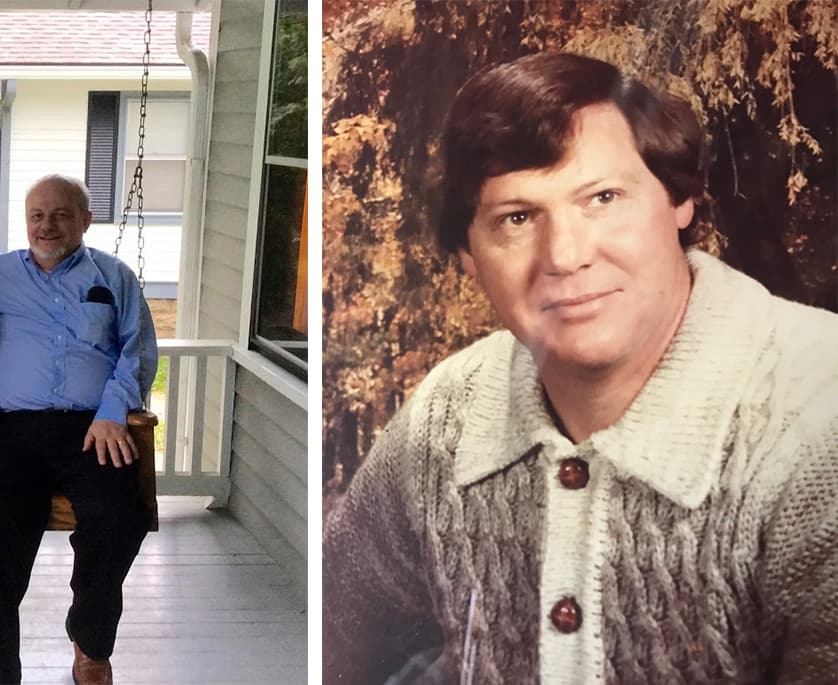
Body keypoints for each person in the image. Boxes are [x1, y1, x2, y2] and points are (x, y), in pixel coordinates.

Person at [323, 53, 838, 684]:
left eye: (602, 197)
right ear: (465, 253)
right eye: (516, 218)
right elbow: (330, 645)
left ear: (680, 200)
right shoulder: (446, 416)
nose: (565, 256)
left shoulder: (819, 419)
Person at [0, 173, 158, 685]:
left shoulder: (116, 277)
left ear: (85, 220)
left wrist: (113, 411)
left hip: (95, 427)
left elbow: (137, 353)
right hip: (15, 431)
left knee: (120, 515)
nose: (47, 226)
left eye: (61, 215)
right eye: (37, 216)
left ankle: (90, 640)